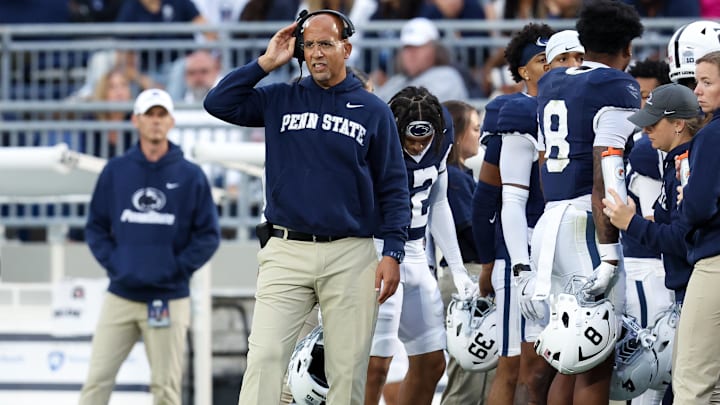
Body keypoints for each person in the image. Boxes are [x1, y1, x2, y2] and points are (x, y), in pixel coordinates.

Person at [203, 9, 410, 405]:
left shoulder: (373, 111)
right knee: (264, 357)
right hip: (286, 248)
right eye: (309, 45)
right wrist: (266, 63)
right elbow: (218, 103)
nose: (316, 53)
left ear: (346, 48)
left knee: (346, 369)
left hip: (351, 252)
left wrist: (394, 252)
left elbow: (394, 188)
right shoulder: (279, 97)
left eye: (326, 44)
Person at [526, 1, 643, 404]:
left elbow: (546, 161)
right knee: (596, 355)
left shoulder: (552, 82)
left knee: (568, 356)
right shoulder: (616, 84)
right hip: (586, 226)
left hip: (551, 220)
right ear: (627, 49)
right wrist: (609, 253)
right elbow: (606, 168)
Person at [79, 88, 221, 404]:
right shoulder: (115, 171)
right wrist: (118, 264)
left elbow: (208, 235)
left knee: (166, 389)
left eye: (161, 115)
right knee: (96, 383)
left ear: (171, 121)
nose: (155, 122)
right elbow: (96, 227)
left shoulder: (191, 175)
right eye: (149, 115)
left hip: (168, 299)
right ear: (136, 120)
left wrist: (174, 268)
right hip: (121, 295)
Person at [365, 86, 477, 405]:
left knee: (431, 363)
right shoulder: (375, 136)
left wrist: (456, 269)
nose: (416, 146)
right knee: (375, 367)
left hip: (416, 254)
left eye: (423, 139)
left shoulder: (442, 132)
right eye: (410, 139)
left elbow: (438, 201)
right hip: (377, 250)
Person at [601, 83, 703, 404]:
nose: (645, 129)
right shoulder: (675, 159)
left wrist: (630, 224)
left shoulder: (687, 164)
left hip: (696, 287)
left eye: (653, 122)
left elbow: (682, 239)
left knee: (689, 385)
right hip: (688, 287)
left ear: (678, 124)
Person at [471, 22, 555, 405]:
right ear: (523, 70)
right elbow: (487, 198)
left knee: (560, 364)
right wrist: (489, 263)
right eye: (543, 59)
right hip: (520, 250)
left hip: (565, 248)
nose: (555, 65)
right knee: (516, 365)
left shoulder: (580, 106)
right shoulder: (513, 110)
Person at [437, 99, 495, 405]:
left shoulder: (460, 175)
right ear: (457, 134)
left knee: (481, 378)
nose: (479, 134)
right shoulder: (453, 179)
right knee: (468, 379)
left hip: (470, 275)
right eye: (474, 128)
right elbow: (470, 233)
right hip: (468, 276)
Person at [672, 50, 720, 404]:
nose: (697, 91)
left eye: (706, 82)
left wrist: (685, 200)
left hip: (715, 263)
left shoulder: (711, 135)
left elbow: (698, 206)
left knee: (691, 382)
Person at [374, 18, 469, 103]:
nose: (411, 54)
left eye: (418, 47)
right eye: (407, 48)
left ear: (435, 49)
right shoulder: (398, 80)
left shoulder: (447, 77)